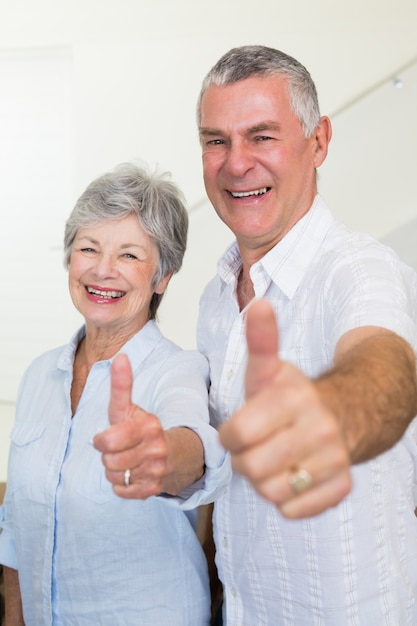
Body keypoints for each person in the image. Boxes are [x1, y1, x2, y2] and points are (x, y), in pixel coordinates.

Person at [195, 45, 417, 624]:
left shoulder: (359, 268)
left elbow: (385, 368)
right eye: (216, 140)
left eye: (262, 136)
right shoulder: (215, 300)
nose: (236, 163)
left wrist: (328, 416)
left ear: (318, 142)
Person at [0, 162, 230, 625]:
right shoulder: (39, 375)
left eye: (129, 255)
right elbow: (16, 530)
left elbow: (193, 452)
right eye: (89, 248)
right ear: (70, 259)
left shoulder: (177, 370)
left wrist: (157, 455)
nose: (103, 270)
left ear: (162, 278)